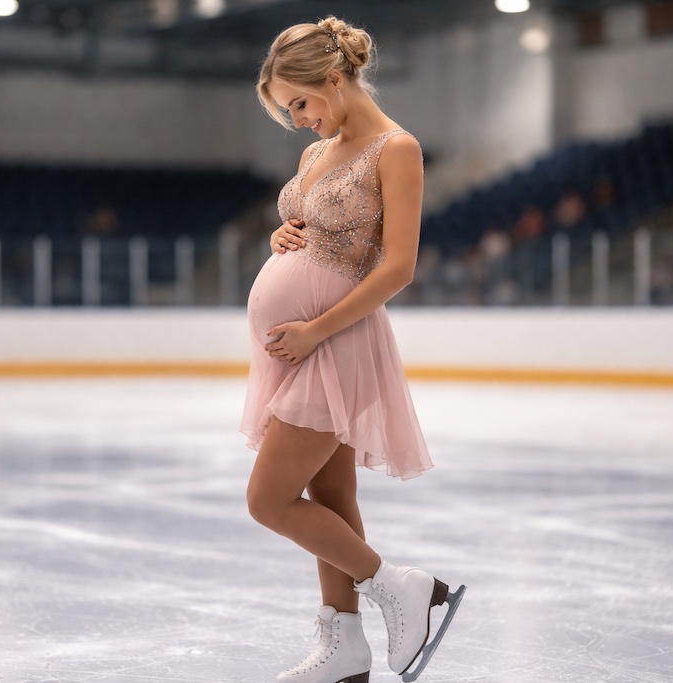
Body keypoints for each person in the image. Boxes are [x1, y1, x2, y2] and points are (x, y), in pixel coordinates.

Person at [242, 16, 464, 683]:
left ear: (334, 79)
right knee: (331, 494)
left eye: (301, 103)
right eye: (289, 111)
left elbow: (398, 267)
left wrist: (313, 329)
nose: (298, 120)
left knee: (268, 498)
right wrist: (286, 237)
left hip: (338, 340)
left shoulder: (396, 149)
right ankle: (344, 648)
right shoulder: (316, 154)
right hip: (303, 345)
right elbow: (311, 228)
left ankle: (400, 586)